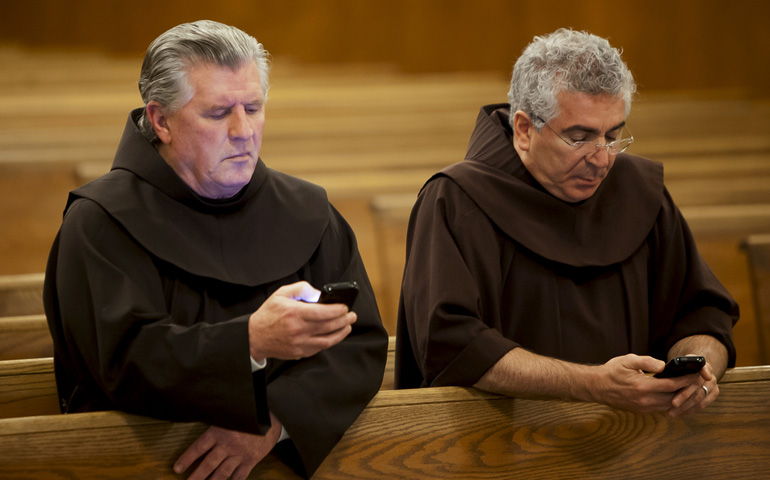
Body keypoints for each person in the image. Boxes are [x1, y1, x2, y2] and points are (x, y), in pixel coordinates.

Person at [43, 20, 387, 479]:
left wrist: (275, 422)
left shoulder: (309, 213)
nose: (244, 130)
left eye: (253, 107)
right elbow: (120, 363)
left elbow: (359, 343)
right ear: (161, 120)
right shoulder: (100, 222)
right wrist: (248, 341)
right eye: (218, 112)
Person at [395, 28, 738, 418]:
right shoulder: (456, 200)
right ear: (524, 129)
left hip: (641, 446)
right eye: (580, 137)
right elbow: (451, 343)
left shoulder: (641, 193)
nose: (602, 159)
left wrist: (698, 369)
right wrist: (593, 385)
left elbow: (703, 313)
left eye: (613, 135)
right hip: (494, 452)